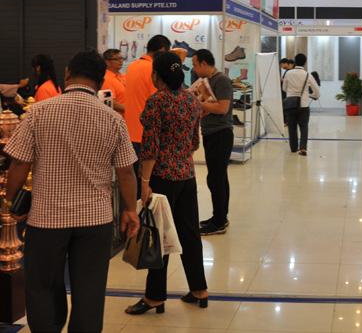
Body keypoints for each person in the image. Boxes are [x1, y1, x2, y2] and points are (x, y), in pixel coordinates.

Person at [3, 50, 140, 333]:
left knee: (42, 286)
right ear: (101, 80)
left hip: (46, 219)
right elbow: (126, 171)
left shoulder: (38, 112)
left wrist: (10, 201)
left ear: (67, 73)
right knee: (90, 289)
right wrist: (130, 210)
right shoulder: (113, 119)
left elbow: (19, 163)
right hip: (95, 221)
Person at [125, 51, 209, 315]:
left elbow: (150, 147)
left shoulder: (157, 101)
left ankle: (154, 297)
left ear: (156, 75)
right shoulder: (191, 100)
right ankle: (199, 289)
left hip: (161, 177)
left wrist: (145, 181)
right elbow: (194, 142)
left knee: (157, 236)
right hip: (186, 174)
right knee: (189, 233)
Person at [192, 49, 234, 236]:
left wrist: (198, 103)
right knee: (218, 177)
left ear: (203, 63)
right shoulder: (206, 82)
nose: (194, 69)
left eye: (195, 65)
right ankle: (220, 216)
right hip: (211, 133)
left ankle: (219, 221)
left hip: (220, 134)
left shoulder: (221, 80)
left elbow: (222, 108)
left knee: (216, 179)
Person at [124, 34, 171, 193]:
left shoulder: (132, 66)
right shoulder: (154, 70)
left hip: (130, 133)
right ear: (162, 50)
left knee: (135, 184)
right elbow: (160, 101)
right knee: (149, 186)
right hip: (148, 135)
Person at [282, 53, 320, 155]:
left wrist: (291, 92)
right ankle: (303, 148)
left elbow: (284, 88)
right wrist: (311, 95)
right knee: (304, 127)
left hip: (290, 104)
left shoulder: (288, 73)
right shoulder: (307, 75)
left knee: (292, 127)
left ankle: (293, 148)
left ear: (295, 61)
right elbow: (317, 91)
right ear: (305, 62)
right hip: (304, 105)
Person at [102, 48, 127, 114]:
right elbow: (108, 102)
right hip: (117, 117)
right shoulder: (105, 79)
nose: (121, 61)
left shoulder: (123, 76)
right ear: (107, 62)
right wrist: (129, 109)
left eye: (121, 58)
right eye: (116, 59)